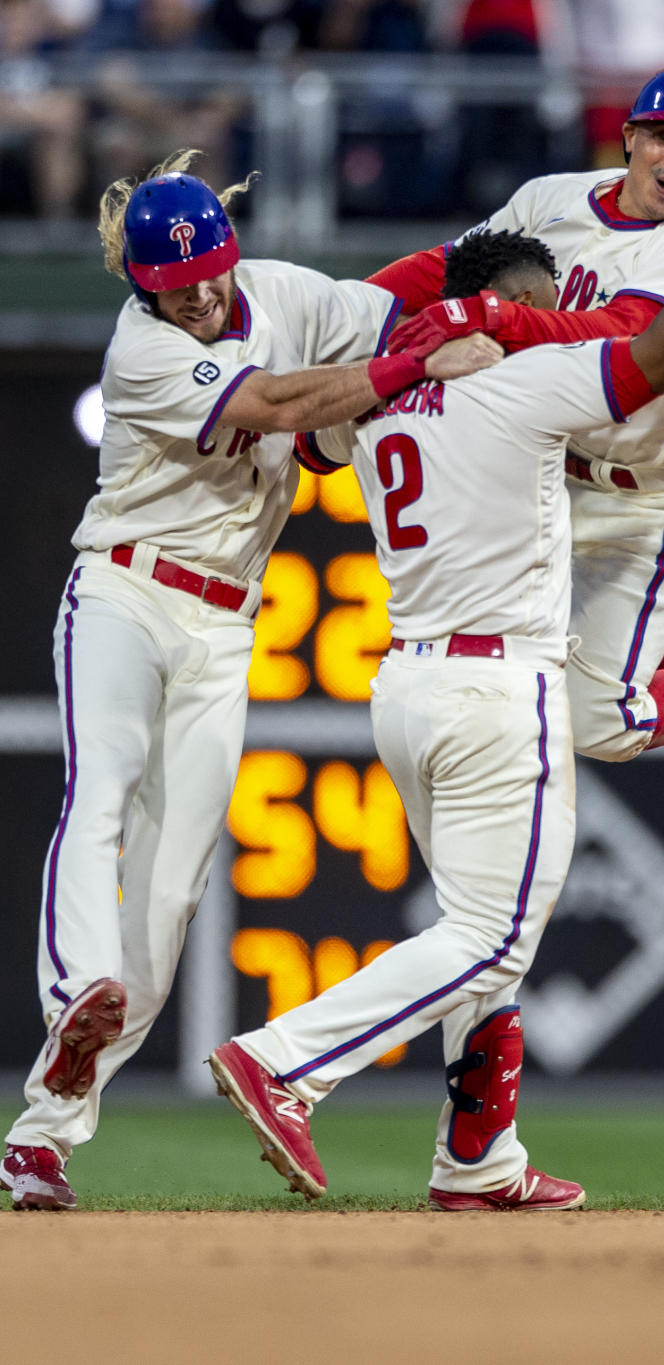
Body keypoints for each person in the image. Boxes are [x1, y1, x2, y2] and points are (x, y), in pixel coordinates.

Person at [207, 112, 664, 1211]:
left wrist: (394, 342)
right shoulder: (530, 383)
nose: (555, 319)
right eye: (546, 303)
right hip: (506, 682)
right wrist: (509, 318)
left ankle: (478, 1160)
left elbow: (308, 430)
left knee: (478, 927)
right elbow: (646, 358)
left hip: (408, 676)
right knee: (493, 930)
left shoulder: (385, 397)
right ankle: (285, 1061)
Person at [0, 149, 498, 1213]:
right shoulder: (141, 350)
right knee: (101, 793)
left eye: (213, 269)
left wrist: (476, 262)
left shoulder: (271, 290)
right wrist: (412, 366)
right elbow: (275, 404)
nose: (203, 291)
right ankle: (71, 990)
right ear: (141, 287)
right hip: (125, 591)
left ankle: (42, 1131)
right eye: (179, 284)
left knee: (173, 895)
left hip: (228, 621)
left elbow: (379, 297)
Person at [370, 65, 664, 776]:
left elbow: (626, 341)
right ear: (629, 137)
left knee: (598, 721)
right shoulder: (554, 198)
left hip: (647, 497)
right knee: (507, 658)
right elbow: (445, 270)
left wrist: (492, 316)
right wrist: (351, 311)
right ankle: (650, 658)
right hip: (548, 473)